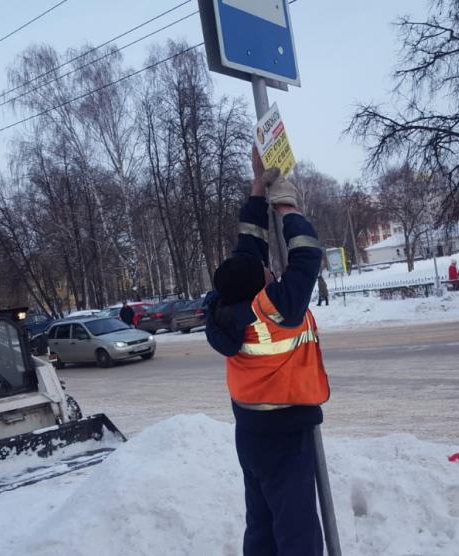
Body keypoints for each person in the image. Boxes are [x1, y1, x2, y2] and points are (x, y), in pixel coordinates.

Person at [205, 147, 329, 556]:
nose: (269, 269)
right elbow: (307, 254)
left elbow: (247, 252)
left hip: (251, 430)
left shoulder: (225, 307)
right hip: (284, 435)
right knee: (297, 532)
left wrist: (258, 193)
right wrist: (287, 205)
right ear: (260, 286)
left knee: (261, 523)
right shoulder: (274, 311)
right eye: (265, 273)